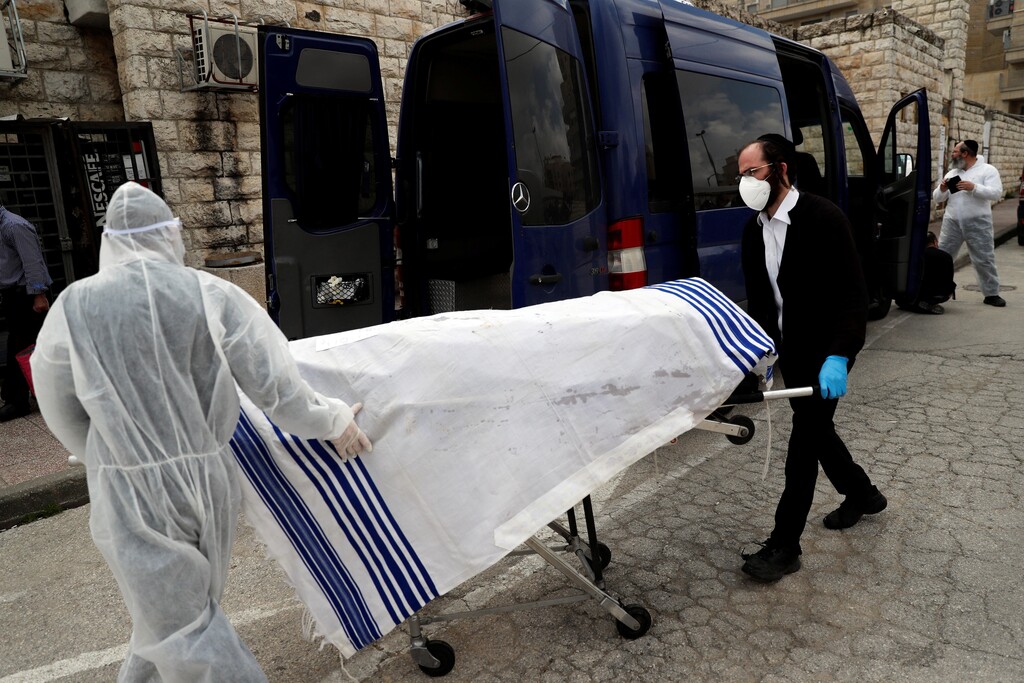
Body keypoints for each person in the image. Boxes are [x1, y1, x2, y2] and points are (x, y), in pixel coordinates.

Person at [30, 182, 373, 682]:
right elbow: (277, 390)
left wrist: (109, 452)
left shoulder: (74, 306)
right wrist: (333, 419)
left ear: (110, 242)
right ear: (170, 234)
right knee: (176, 619)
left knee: (182, 625)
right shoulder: (213, 295)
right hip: (208, 483)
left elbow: (57, 402)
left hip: (129, 489)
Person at [735, 136, 887, 583]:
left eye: (752, 172)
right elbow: (762, 303)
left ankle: (785, 544)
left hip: (827, 351)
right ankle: (863, 494)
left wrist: (839, 355)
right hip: (793, 352)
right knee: (817, 429)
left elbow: (852, 294)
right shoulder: (753, 230)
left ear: (780, 169)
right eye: (740, 175)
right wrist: (755, 357)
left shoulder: (823, 217)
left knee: (804, 441)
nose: (745, 182)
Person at [932, 139, 1006, 307]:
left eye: (955, 151)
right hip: (952, 222)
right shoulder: (952, 173)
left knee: (984, 258)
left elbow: (996, 193)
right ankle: (936, 291)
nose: (952, 154)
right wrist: (942, 189)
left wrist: (974, 188)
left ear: (965, 154)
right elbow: (937, 198)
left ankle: (991, 294)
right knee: (943, 257)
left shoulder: (988, 170)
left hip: (978, 222)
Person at [0, 203, 52, 421]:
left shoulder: (14, 226)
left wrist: (38, 295)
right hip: (12, 295)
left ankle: (17, 401)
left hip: (26, 295)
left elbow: (32, 263)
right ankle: (26, 396)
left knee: (21, 347)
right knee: (25, 346)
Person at [902, 231, 956, 314]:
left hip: (917, 293)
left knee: (902, 301)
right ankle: (928, 303)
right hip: (939, 294)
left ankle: (915, 304)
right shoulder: (946, 256)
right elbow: (949, 279)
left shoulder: (915, 256)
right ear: (935, 242)